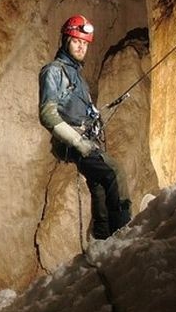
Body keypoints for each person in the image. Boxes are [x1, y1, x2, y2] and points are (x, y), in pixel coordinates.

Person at [38, 14, 131, 240]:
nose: (81, 46)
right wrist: (78, 142)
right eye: (76, 41)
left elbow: (81, 109)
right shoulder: (54, 71)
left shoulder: (78, 77)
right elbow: (47, 114)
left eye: (84, 43)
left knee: (99, 186)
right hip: (73, 142)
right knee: (114, 172)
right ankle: (125, 235)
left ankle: (103, 240)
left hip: (87, 139)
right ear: (65, 40)